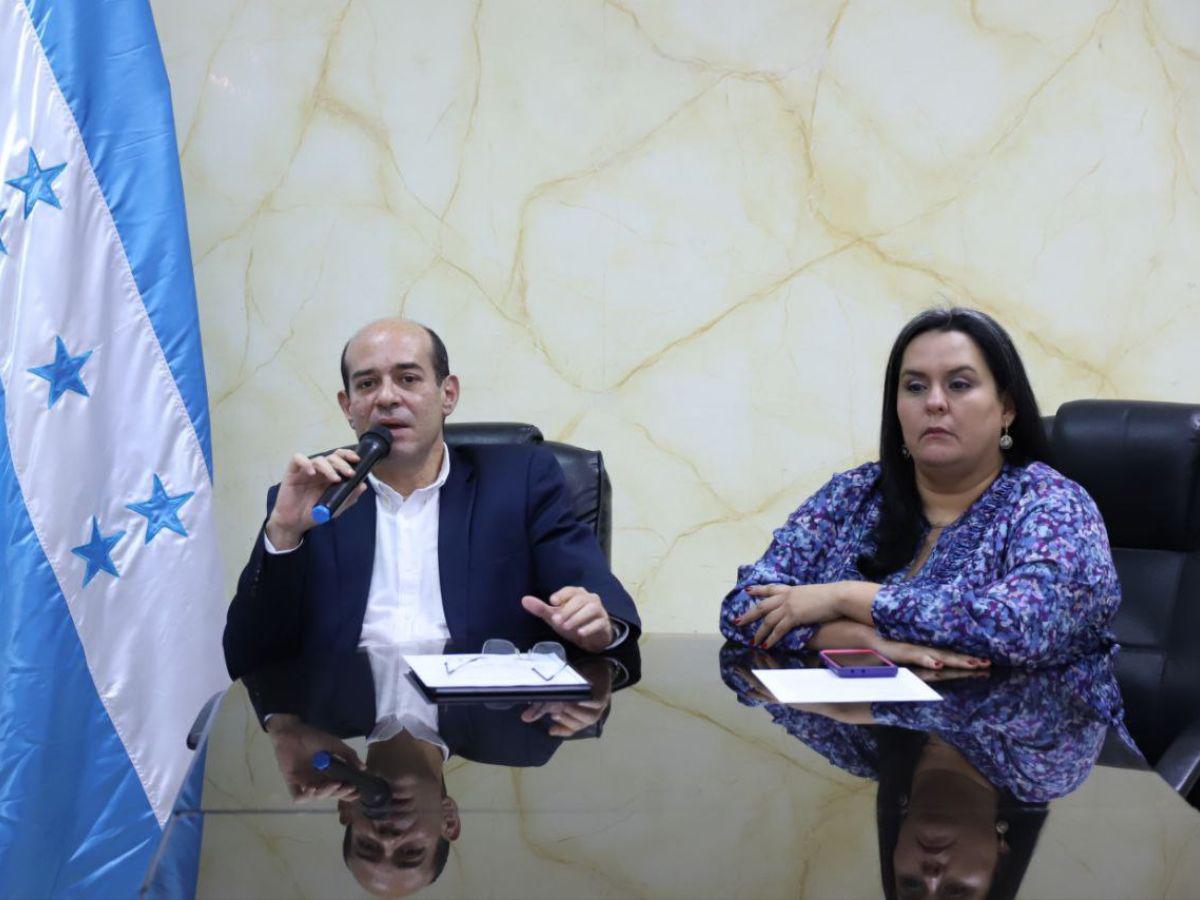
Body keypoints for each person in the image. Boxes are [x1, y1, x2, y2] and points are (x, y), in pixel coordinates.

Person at [223, 318, 640, 679]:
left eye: (408, 378)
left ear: (448, 394)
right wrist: (282, 535)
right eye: (367, 384)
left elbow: (602, 604)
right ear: (348, 407)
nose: (386, 397)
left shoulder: (522, 481)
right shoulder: (317, 498)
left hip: (481, 731)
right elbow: (248, 660)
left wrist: (598, 623)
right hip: (346, 741)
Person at [720, 307, 1119, 668]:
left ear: (1007, 408)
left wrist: (843, 597)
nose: (934, 402)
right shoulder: (855, 494)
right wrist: (860, 640)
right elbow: (742, 607)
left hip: (1023, 742)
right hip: (880, 737)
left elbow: (1018, 628)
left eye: (959, 385)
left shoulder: (1053, 505)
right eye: (914, 387)